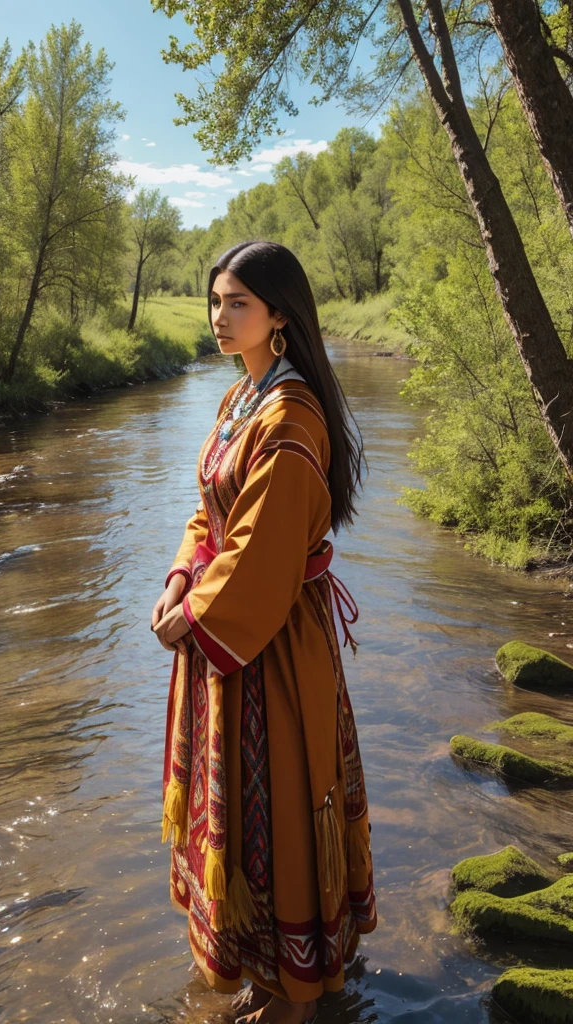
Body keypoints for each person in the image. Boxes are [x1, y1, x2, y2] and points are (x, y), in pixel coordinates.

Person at [151, 241, 377, 1024]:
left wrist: (193, 620)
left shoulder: (289, 413)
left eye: (237, 303)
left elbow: (264, 552)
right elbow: (210, 521)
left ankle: (296, 995)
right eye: (215, 301)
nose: (220, 317)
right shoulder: (238, 399)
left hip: (276, 644)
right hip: (238, 629)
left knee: (282, 801)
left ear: (279, 314)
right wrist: (180, 576)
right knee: (250, 809)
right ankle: (271, 972)